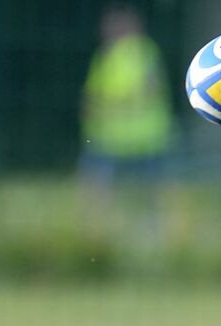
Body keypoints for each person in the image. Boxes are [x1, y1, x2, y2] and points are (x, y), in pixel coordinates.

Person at [79, 5, 173, 194]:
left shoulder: (142, 50)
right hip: (109, 136)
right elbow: (92, 93)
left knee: (151, 191)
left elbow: (152, 88)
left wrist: (113, 106)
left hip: (144, 136)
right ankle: (96, 222)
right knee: (99, 187)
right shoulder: (105, 54)